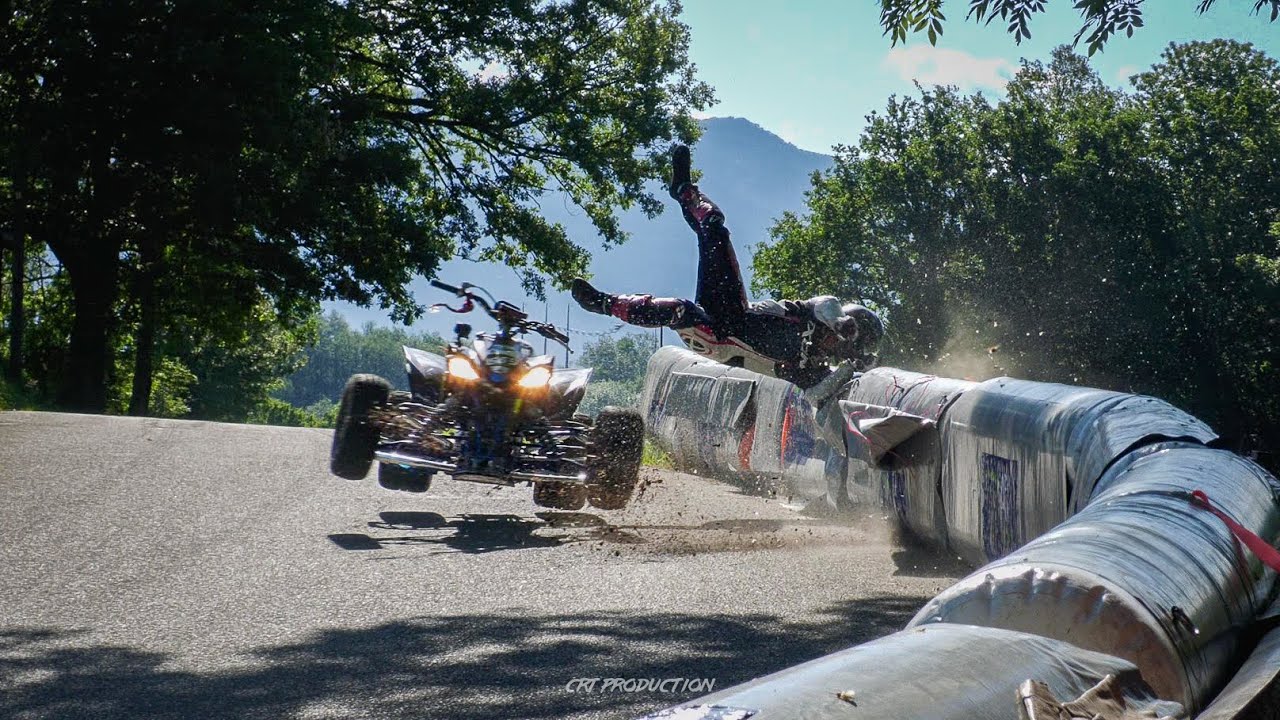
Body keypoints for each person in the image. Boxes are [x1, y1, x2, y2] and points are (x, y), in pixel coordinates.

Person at [571, 144, 882, 398]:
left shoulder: (814, 371)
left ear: (844, 350)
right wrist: (840, 321)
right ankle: (684, 190)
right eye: (837, 330)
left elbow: (818, 394)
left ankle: (604, 304)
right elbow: (827, 303)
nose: (831, 337)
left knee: (680, 310)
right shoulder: (815, 313)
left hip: (721, 341)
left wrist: (853, 369)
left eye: (838, 340)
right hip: (733, 309)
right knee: (716, 230)